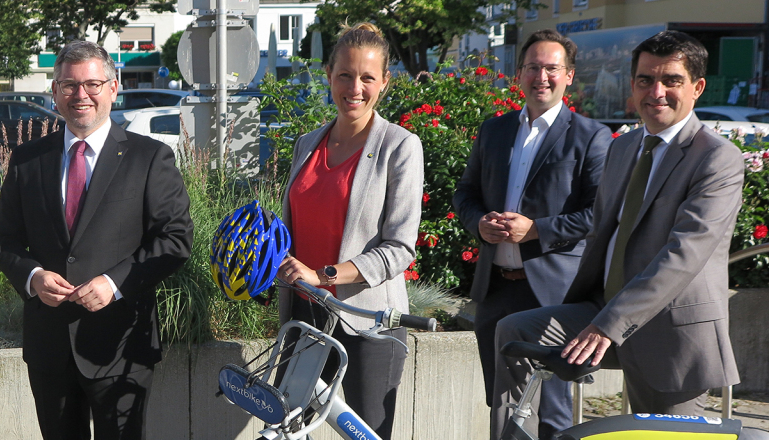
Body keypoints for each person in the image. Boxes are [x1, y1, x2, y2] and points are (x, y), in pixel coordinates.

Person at [492, 30, 743, 436]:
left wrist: (610, 324)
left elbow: (683, 255)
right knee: (515, 330)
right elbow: (602, 230)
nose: (656, 91)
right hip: (600, 311)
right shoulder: (623, 148)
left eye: (671, 81)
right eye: (645, 80)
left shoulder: (717, 159)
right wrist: (599, 313)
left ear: (696, 87)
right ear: (632, 85)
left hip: (671, 334)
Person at [0, 40, 193, 439]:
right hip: (49, 346)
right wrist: (32, 277)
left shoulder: (149, 158)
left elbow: (174, 238)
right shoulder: (29, 159)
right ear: (55, 93)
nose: (81, 95)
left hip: (120, 345)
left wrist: (115, 283)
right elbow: (3, 238)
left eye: (93, 84)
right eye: (69, 86)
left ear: (113, 88)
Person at [453, 29, 612, 440]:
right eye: (533, 68)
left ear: (569, 76)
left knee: (553, 412)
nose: (542, 77)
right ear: (519, 74)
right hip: (496, 292)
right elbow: (465, 193)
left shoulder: (591, 136)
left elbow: (598, 214)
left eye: (551, 69)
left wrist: (534, 231)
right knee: (503, 404)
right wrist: (479, 225)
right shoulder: (494, 131)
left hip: (552, 294)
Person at [274, 22, 423, 440]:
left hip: (367, 321)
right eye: (345, 75)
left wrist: (324, 276)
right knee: (288, 430)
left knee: (367, 435)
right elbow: (293, 231)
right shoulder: (307, 144)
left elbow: (399, 248)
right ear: (328, 74)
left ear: (385, 83)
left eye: (367, 77)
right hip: (304, 318)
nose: (355, 87)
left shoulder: (400, 146)